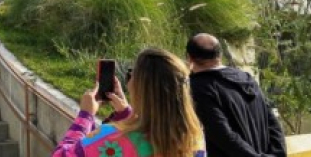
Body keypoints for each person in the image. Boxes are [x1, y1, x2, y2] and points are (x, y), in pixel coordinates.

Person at [52, 48, 205, 157]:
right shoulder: (193, 138)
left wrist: (85, 116)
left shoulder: (112, 140)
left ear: (139, 86)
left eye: (131, 73)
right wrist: (127, 114)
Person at [186, 33, 286, 157]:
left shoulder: (199, 87)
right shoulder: (247, 79)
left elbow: (222, 134)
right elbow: (272, 121)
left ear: (189, 58)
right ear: (220, 55)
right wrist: (278, 153)